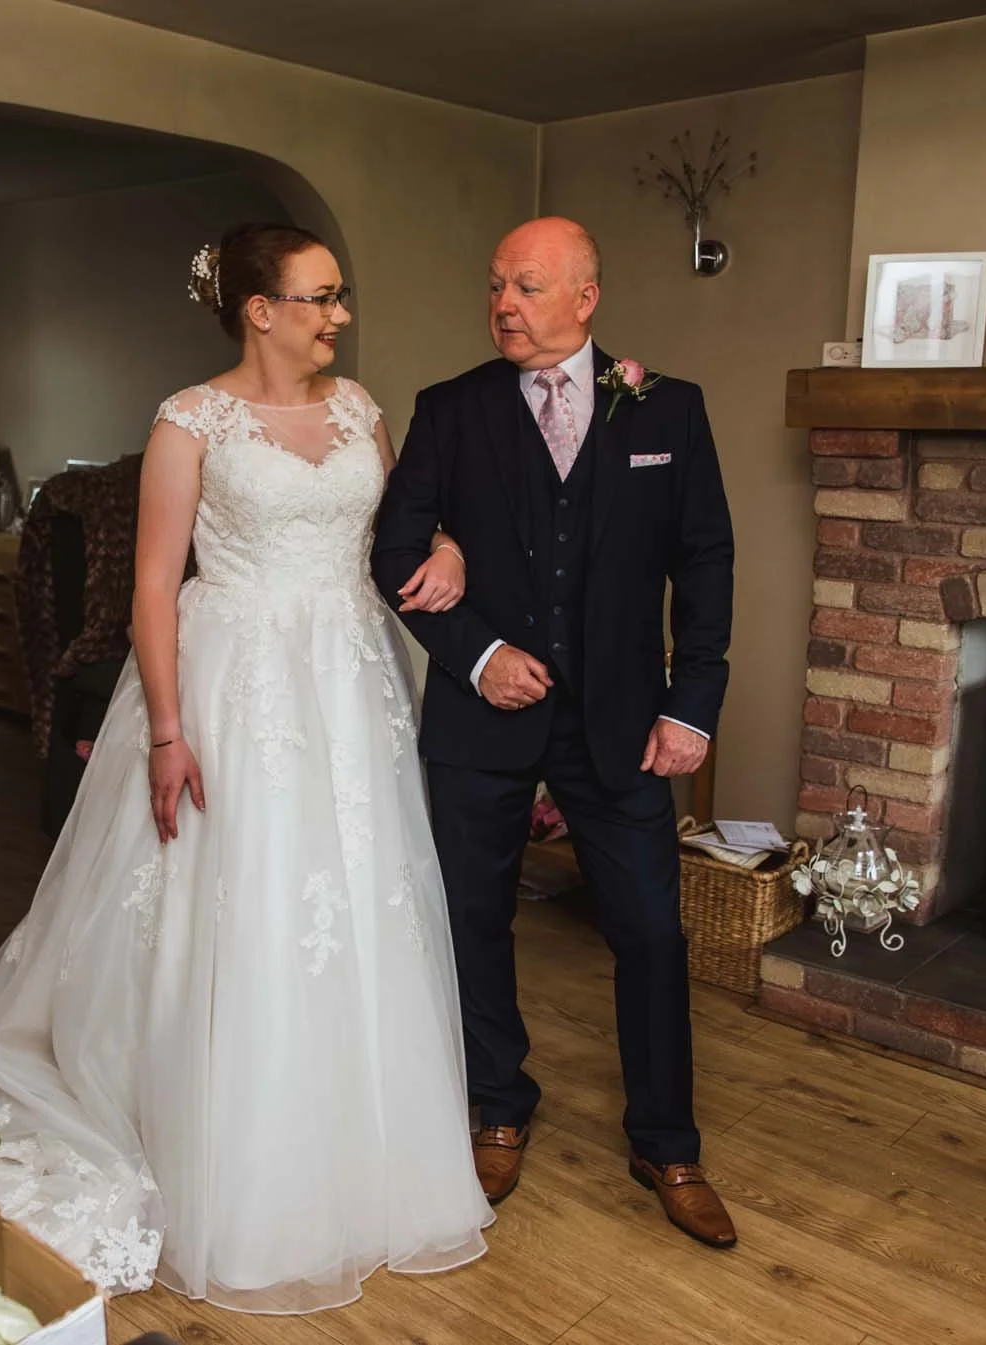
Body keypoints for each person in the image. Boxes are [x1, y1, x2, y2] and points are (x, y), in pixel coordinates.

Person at [0, 223, 493, 1314]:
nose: (340, 315)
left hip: (348, 680)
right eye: (320, 296)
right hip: (238, 685)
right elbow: (152, 587)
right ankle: (237, 1159)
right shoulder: (190, 422)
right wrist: (169, 732)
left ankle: (367, 1152)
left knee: (360, 894)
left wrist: (448, 546)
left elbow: (400, 532)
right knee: (246, 897)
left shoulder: (360, 409)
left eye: (341, 296)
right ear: (259, 310)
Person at [370, 216, 739, 1247]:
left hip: (622, 723)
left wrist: (691, 702)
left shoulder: (668, 409)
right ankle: (497, 1105)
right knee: (472, 919)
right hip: (479, 722)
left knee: (650, 931)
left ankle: (666, 1141)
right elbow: (394, 548)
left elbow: (704, 560)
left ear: (586, 297)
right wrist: (479, 653)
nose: (503, 305)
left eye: (526, 287)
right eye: (495, 285)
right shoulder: (450, 410)